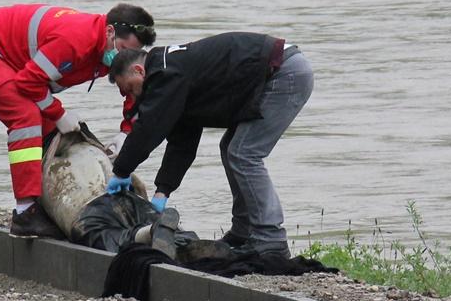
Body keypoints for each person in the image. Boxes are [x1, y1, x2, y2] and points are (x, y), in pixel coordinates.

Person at [0, 3, 155, 238]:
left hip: (18, 65)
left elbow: (132, 86)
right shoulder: (76, 40)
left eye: (130, 53)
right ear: (109, 32)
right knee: (26, 119)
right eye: (121, 49)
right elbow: (28, 82)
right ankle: (25, 214)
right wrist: (59, 113)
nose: (123, 57)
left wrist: (126, 132)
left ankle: (43, 204)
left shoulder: (109, 50)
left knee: (49, 129)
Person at [106, 32, 314, 258]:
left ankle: (271, 239)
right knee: (231, 148)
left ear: (139, 71)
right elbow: (182, 143)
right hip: (273, 73)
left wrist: (121, 170)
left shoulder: (165, 74)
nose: (132, 97)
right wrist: (163, 190)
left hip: (284, 73)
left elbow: (149, 128)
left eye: (129, 89)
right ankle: (243, 232)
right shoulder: (172, 75)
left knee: (244, 153)